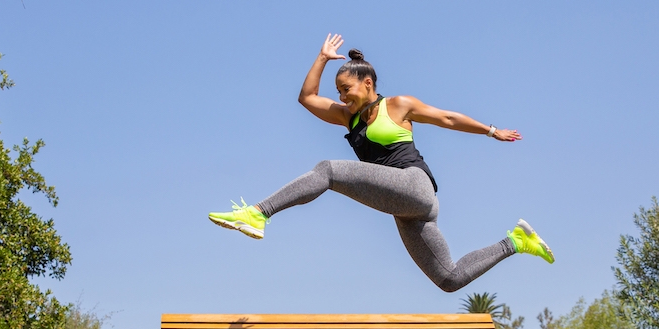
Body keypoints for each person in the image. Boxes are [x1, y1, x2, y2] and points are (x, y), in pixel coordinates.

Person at [208, 33, 554, 292]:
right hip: (407, 209)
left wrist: (491, 130)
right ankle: (517, 241)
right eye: (339, 92)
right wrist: (322, 57)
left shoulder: (398, 105)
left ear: (368, 83)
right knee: (448, 278)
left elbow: (447, 118)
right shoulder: (349, 117)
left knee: (329, 170)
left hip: (415, 187)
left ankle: (258, 213)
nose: (343, 97)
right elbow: (307, 97)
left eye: (347, 89)